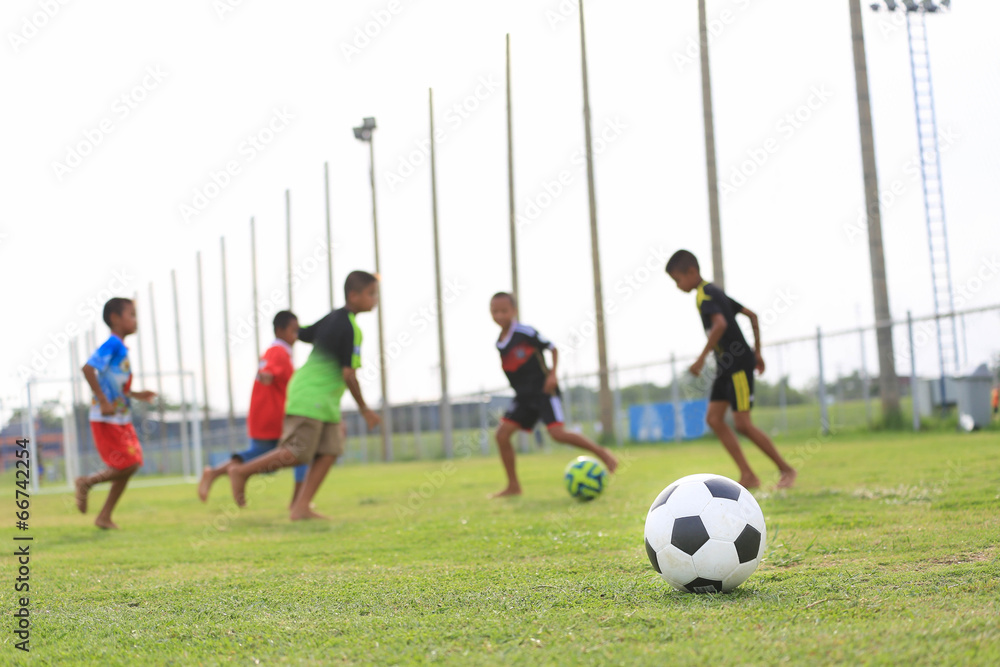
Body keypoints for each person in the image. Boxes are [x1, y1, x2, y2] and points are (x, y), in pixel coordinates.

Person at [229, 271, 381, 520]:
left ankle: (301, 507)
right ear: (353, 296)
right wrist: (365, 409)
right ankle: (242, 472)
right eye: (371, 294)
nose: (375, 299)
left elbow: (303, 333)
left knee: (330, 450)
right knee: (296, 452)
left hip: (324, 401)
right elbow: (349, 375)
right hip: (311, 396)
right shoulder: (351, 329)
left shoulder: (334, 318)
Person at [665, 250, 796, 490]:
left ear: (691, 272)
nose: (678, 286)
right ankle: (748, 475)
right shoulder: (712, 291)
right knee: (714, 419)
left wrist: (701, 359)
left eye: (677, 280)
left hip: (736, 365)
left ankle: (786, 469)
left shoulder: (706, 295)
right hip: (726, 366)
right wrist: (757, 351)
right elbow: (752, 316)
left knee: (743, 424)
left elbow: (720, 325)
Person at [489, 292, 618, 497]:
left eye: (504, 311)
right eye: (495, 311)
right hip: (523, 397)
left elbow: (552, 348)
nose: (500, 315)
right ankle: (513, 486)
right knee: (502, 435)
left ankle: (603, 453)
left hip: (543, 392)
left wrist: (553, 376)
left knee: (557, 434)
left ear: (513, 311)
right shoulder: (499, 341)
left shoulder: (525, 332)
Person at [198, 311, 308, 504]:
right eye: (293, 330)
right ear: (280, 330)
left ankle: (214, 473)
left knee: (261, 457)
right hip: (273, 416)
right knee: (301, 451)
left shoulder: (275, 351)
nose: (296, 335)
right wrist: (265, 374)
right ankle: (298, 502)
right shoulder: (278, 352)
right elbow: (268, 371)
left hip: (267, 415)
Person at [76, 297, 157, 528]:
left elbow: (119, 386)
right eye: (131, 315)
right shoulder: (112, 344)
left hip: (121, 418)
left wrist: (139, 394)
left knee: (131, 464)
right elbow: (88, 368)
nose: (135, 320)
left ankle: (104, 516)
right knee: (128, 464)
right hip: (107, 418)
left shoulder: (121, 348)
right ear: (115, 318)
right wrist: (103, 401)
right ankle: (86, 483)